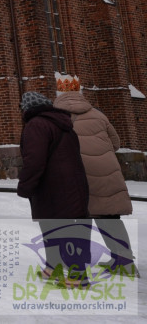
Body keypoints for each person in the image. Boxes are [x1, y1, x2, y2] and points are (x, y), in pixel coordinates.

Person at [54, 86, 137, 275]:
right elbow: (115, 143)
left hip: (80, 173)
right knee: (111, 217)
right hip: (107, 171)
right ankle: (124, 262)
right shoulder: (98, 115)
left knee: (81, 220)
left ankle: (79, 266)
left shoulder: (59, 117)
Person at [17, 91, 91, 281]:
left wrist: (25, 186)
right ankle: (53, 269)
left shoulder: (36, 125)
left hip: (52, 187)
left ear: (28, 108)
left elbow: (34, 160)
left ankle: (78, 277)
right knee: (63, 228)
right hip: (72, 184)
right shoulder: (63, 123)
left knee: (59, 230)